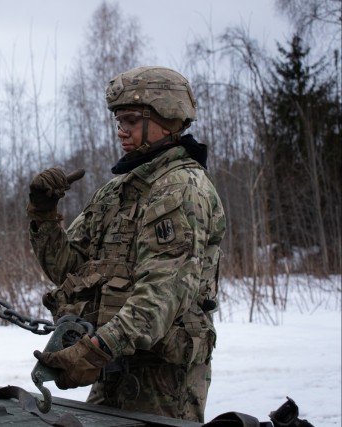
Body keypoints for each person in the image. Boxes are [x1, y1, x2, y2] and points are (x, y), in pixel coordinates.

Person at [27, 66, 226, 422]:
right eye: (118, 121)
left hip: (162, 382)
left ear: (167, 118)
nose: (121, 131)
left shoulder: (181, 189)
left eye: (131, 120)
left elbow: (160, 297)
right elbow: (69, 269)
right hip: (112, 366)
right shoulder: (118, 191)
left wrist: (93, 352)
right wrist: (43, 214)